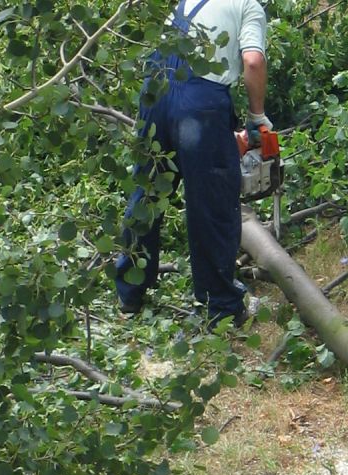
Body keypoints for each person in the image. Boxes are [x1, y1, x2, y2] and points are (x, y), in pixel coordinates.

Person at [114, 0, 271, 328]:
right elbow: (253, 61)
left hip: (155, 93)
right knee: (211, 204)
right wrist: (257, 116)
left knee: (147, 193)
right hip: (199, 104)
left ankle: (129, 294)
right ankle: (223, 307)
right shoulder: (249, 6)